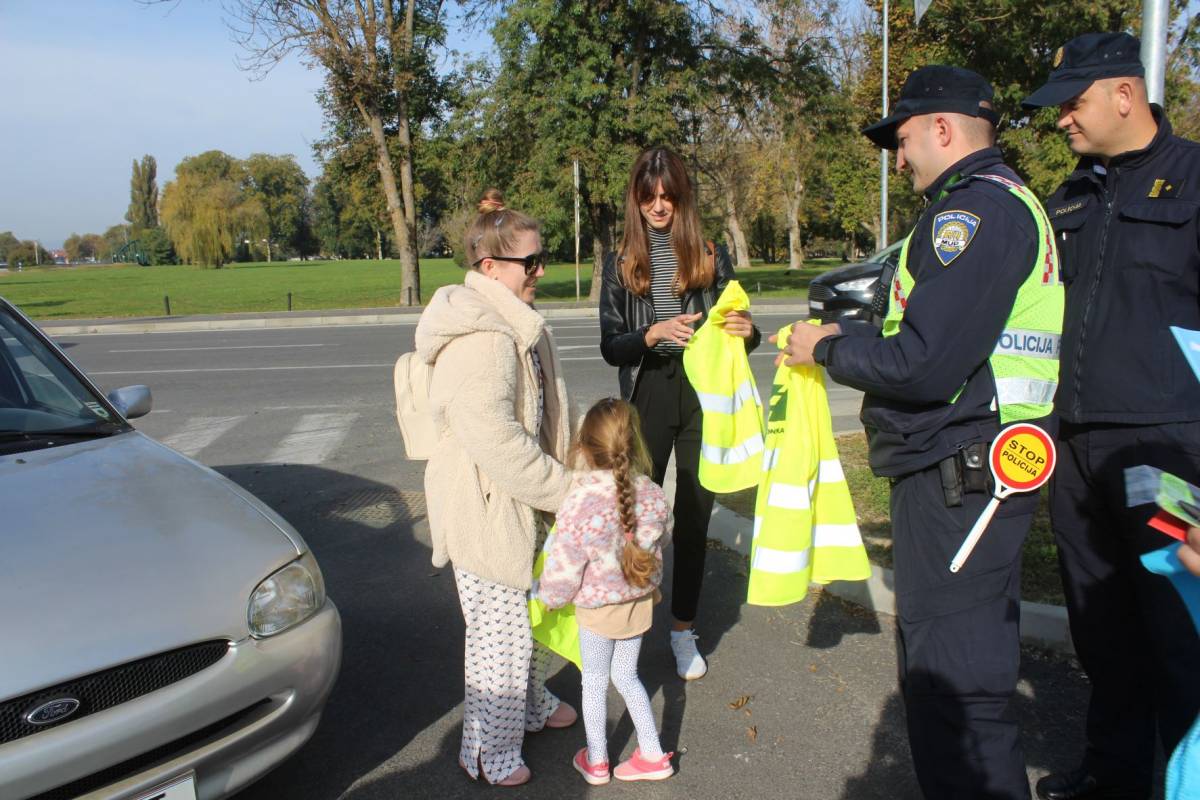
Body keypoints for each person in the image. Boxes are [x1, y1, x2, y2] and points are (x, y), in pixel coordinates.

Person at [780, 65, 1065, 799]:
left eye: (901, 142)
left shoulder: (971, 215)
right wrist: (856, 326)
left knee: (958, 697)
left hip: (961, 478)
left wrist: (828, 349)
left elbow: (924, 364)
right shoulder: (995, 206)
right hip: (965, 473)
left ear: (943, 129)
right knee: (950, 686)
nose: (897, 160)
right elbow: (933, 330)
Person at [1021, 32, 1200, 800]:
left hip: (1166, 451)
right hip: (1076, 448)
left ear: (1124, 95)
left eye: (1074, 103)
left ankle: (1183, 777)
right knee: (1102, 627)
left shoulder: (1194, 181)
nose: (1062, 119)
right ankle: (1113, 770)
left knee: (1178, 630)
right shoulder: (1069, 195)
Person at [416, 189, 578, 787]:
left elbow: (546, 412)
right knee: (499, 640)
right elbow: (498, 443)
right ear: (490, 268)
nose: (541, 271)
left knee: (530, 615)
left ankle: (531, 707)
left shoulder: (518, 324)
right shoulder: (483, 337)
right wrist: (568, 491)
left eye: (541, 258)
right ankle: (489, 753)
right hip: (485, 509)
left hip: (519, 504)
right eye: (529, 263)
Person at [599, 146, 760, 680]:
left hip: (702, 392)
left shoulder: (711, 253)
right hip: (649, 390)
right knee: (637, 516)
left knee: (693, 515)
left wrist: (748, 331)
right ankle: (624, 629)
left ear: (682, 196)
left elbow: (740, 330)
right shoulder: (619, 258)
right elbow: (610, 346)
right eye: (649, 197)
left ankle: (683, 630)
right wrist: (651, 333)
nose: (659, 206)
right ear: (637, 198)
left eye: (669, 196)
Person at [537, 397, 675, 785]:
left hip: (598, 612)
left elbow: (564, 567)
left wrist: (547, 598)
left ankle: (597, 760)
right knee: (627, 676)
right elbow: (661, 538)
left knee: (594, 681)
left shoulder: (579, 502)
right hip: (638, 604)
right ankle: (651, 753)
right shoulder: (650, 492)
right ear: (635, 445)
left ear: (583, 447)